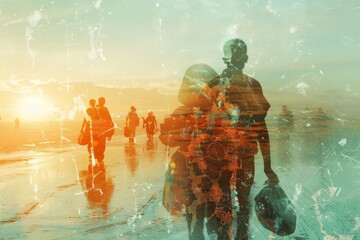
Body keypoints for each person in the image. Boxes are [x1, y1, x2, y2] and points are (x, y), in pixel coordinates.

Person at [207, 38, 279, 239]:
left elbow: (206, 128)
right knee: (243, 206)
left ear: (224, 58)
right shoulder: (252, 86)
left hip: (216, 160)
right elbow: (261, 129)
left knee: (221, 205)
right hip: (244, 158)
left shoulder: (212, 86)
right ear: (245, 58)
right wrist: (268, 166)